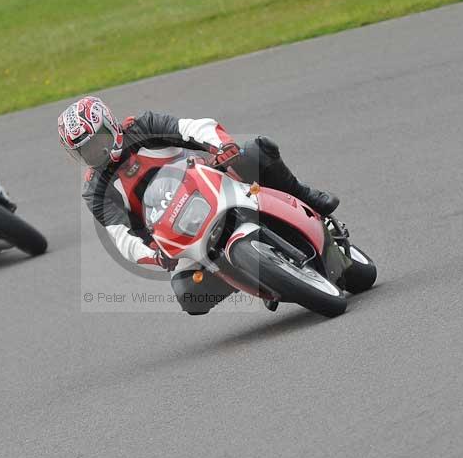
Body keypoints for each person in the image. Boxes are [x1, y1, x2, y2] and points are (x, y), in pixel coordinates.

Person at [58, 96, 340, 315]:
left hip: (211, 183)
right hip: (175, 235)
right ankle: (262, 278)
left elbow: (191, 127)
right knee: (188, 294)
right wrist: (154, 255)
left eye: (99, 142)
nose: (97, 153)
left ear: (110, 124)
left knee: (256, 150)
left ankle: (306, 195)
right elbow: (121, 238)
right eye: (85, 150)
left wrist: (222, 145)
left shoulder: (142, 127)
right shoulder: (95, 191)